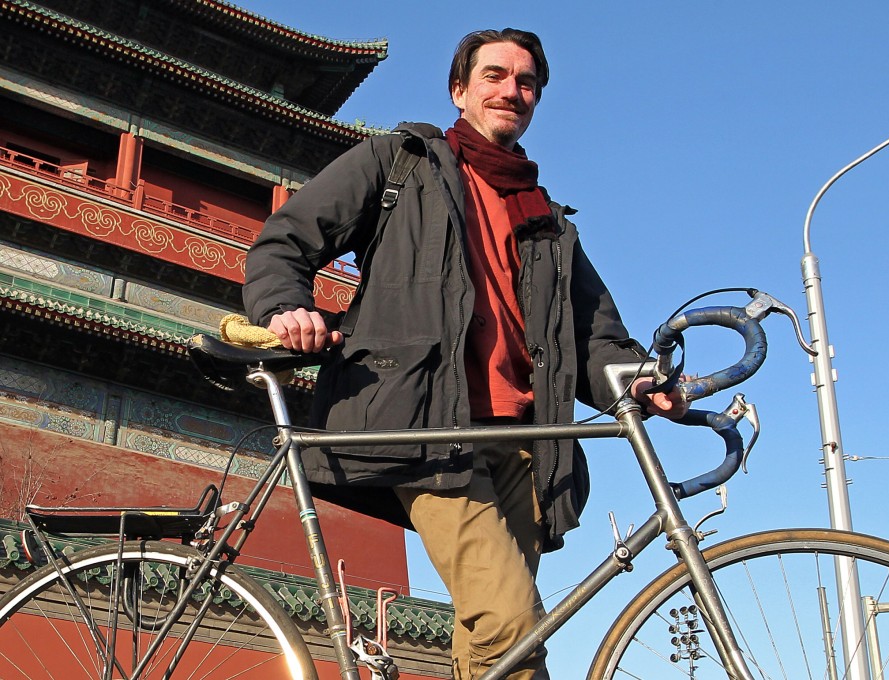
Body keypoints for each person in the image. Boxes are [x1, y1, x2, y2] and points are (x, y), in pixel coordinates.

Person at [242, 28, 689, 680]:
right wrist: (287, 308)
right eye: (495, 75)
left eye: (526, 81)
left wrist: (643, 381)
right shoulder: (399, 162)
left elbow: (596, 335)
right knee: (512, 623)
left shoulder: (549, 221)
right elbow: (287, 239)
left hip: (527, 444)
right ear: (460, 89)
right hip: (426, 425)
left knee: (501, 647)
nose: (512, 89)